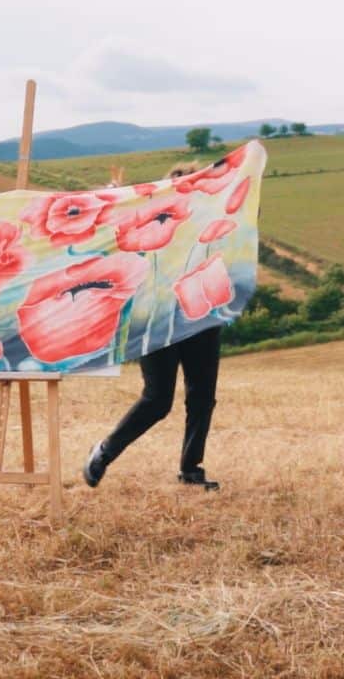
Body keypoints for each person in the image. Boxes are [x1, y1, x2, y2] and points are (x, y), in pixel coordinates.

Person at [83, 160, 223, 491]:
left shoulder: (209, 223)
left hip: (201, 317)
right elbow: (109, 232)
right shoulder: (146, 223)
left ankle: (191, 470)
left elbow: (243, 220)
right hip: (156, 319)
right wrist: (114, 199)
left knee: (202, 398)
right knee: (158, 399)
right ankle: (103, 452)